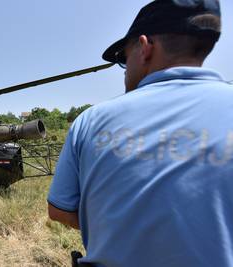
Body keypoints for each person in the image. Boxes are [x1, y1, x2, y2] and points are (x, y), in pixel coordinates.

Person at [47, 0, 233, 266]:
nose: (125, 71)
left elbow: (59, 209)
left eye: (124, 59)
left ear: (145, 48)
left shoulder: (91, 120)